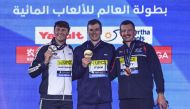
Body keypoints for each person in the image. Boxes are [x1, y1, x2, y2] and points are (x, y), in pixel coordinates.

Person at [110, 20, 168, 109]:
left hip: (144, 98)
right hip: (125, 99)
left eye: (129, 30)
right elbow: (111, 74)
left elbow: (157, 71)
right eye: (123, 31)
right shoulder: (118, 52)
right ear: (120, 33)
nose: (126, 33)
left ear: (135, 32)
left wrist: (160, 94)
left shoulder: (146, 48)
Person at [28, 20, 73, 109]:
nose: (60, 32)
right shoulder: (44, 48)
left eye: (63, 30)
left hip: (67, 100)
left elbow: (73, 73)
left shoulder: (70, 49)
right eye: (58, 29)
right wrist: (45, 62)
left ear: (68, 32)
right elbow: (31, 72)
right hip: (48, 99)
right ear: (54, 31)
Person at [72, 19, 115, 109]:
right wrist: (83, 66)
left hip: (104, 100)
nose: (94, 32)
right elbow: (74, 74)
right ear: (87, 31)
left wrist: (104, 80)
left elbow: (114, 70)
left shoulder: (109, 48)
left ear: (101, 31)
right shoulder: (79, 50)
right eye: (91, 30)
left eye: (96, 29)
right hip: (85, 101)